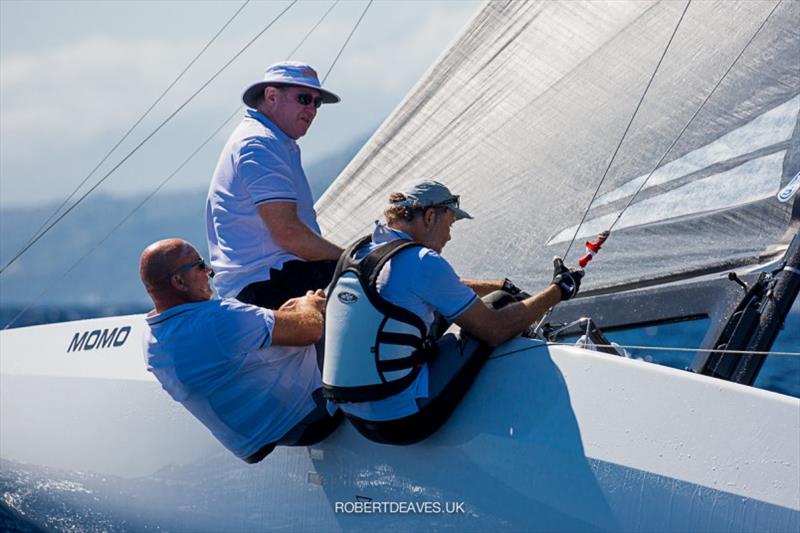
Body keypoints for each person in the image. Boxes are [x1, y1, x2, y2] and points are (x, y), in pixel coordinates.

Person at [322, 180, 584, 445]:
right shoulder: (422, 261)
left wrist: (497, 283)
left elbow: (440, 287)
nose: (449, 236)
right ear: (430, 216)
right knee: (502, 304)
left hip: (354, 416)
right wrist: (559, 289)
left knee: (454, 308)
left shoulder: (360, 251)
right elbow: (495, 330)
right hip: (401, 423)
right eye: (449, 224)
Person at [140, 238, 341, 464]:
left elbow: (224, 351)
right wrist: (308, 306)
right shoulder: (218, 318)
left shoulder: (153, 339)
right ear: (178, 281)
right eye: (199, 265)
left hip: (252, 441)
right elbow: (311, 329)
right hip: (312, 418)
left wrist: (281, 319)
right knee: (345, 308)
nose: (210, 271)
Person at [206, 61, 344, 310]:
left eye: (317, 102)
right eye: (304, 98)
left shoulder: (271, 141)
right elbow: (287, 233)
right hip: (264, 285)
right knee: (381, 280)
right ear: (271, 96)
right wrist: (350, 259)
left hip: (268, 280)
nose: (312, 109)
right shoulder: (259, 144)